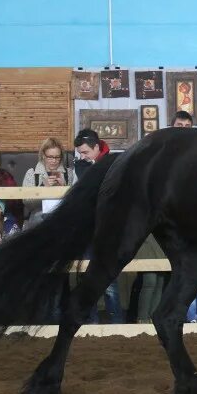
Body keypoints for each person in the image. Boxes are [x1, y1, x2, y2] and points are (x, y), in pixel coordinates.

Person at [72, 129, 123, 323]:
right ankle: (92, 321)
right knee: (88, 277)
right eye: (80, 153)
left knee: (109, 281)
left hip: (108, 228)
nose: (82, 156)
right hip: (87, 228)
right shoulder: (79, 166)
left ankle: (116, 322)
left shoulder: (114, 164)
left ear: (96, 147)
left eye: (85, 152)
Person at [22, 138, 73, 227]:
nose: (54, 161)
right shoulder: (32, 173)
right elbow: (27, 203)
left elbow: (74, 201)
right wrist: (43, 189)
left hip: (61, 215)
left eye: (57, 157)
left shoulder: (68, 173)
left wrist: (64, 188)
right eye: (50, 157)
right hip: (38, 217)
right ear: (43, 156)